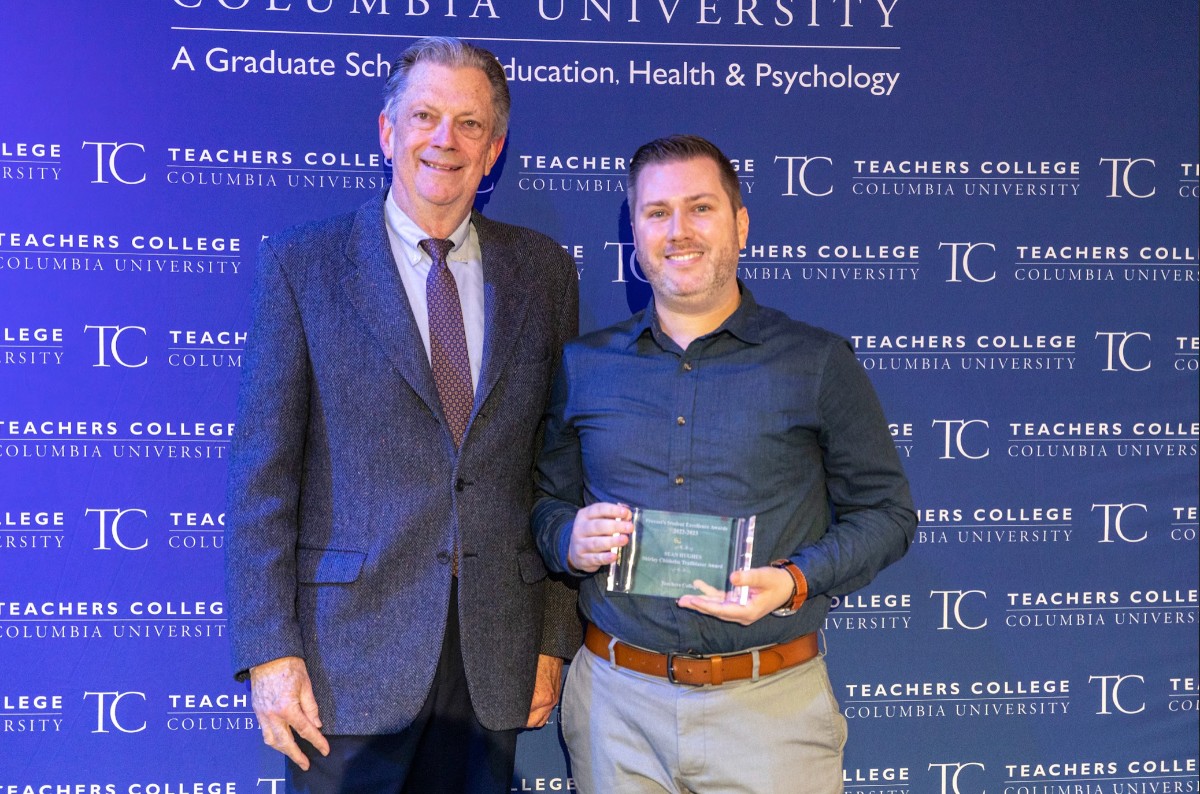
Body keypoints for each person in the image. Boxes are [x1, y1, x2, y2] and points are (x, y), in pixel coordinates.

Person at [225, 36, 580, 794]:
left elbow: (560, 465)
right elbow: (262, 478)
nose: (444, 140)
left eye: (469, 124)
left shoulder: (544, 271)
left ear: (494, 149)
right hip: (343, 663)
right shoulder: (304, 265)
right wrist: (268, 651)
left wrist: (553, 636)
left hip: (494, 656)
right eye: (424, 116)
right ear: (388, 132)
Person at [533, 134, 916, 794]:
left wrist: (794, 581)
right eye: (656, 213)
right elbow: (545, 504)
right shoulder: (584, 367)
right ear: (636, 234)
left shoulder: (816, 362)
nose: (678, 231)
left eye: (700, 207)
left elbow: (888, 514)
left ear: (740, 225)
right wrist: (567, 537)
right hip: (616, 714)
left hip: (771, 710)